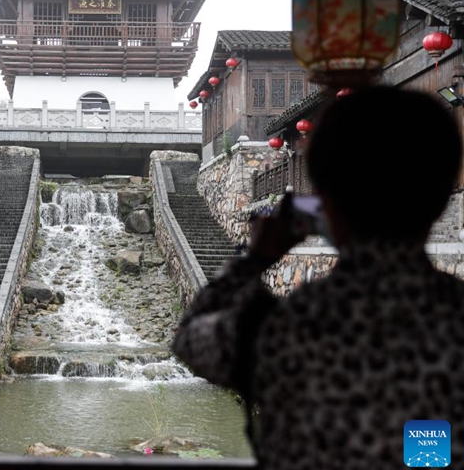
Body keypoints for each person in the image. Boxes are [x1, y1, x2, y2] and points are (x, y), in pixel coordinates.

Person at [171, 85, 464, 469]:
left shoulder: (291, 326)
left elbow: (190, 339)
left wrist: (254, 258)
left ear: (324, 203)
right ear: (442, 196)